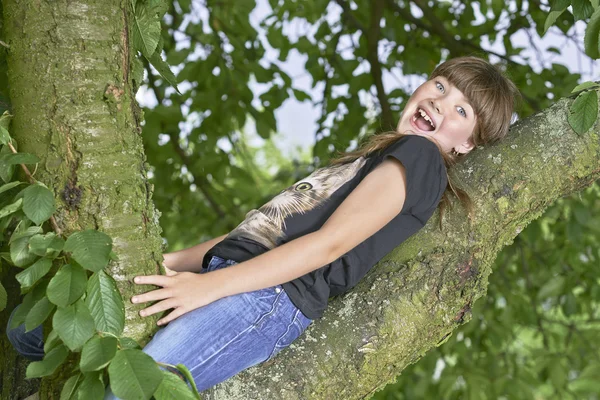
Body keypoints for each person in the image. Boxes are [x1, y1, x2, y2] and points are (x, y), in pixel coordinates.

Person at [6, 56, 518, 397]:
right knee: (30, 332)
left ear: (466, 145)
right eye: (439, 85)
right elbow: (253, 232)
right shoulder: (377, 155)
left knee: (126, 392)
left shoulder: (422, 157)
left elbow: (329, 244)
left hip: (265, 299)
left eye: (460, 110)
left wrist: (209, 287)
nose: (439, 102)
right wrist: (166, 265)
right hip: (239, 274)